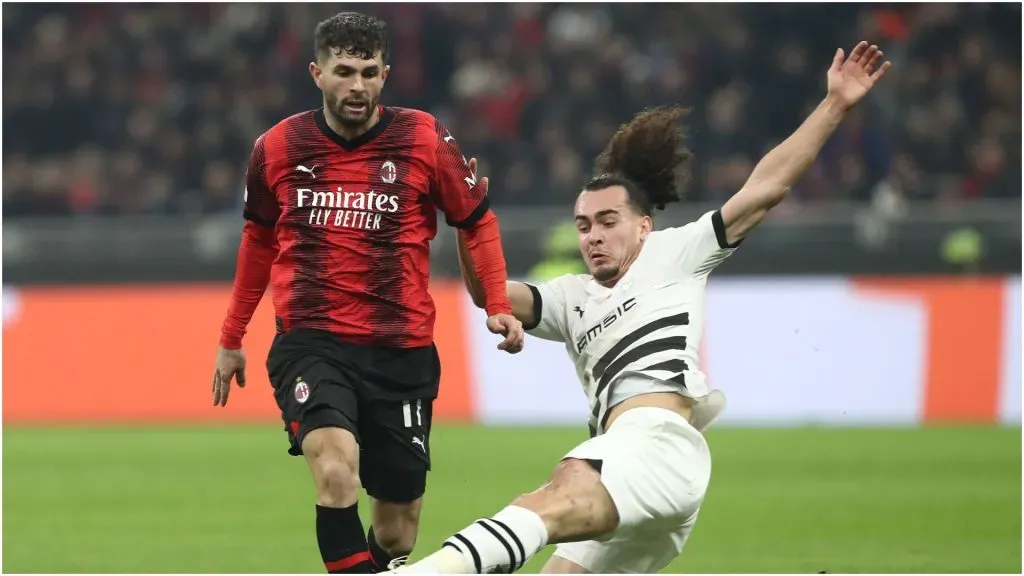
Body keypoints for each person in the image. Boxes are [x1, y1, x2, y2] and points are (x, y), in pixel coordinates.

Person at [397, 41, 891, 574]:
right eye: (584, 225)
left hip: (656, 443)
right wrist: (467, 220)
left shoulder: (676, 252)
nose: (594, 236)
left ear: (644, 226)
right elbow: (488, 294)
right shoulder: (570, 296)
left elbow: (766, 188)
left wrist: (834, 104)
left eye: (608, 221)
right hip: (628, 461)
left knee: (552, 497)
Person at [209, 12, 525, 574]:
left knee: (397, 534)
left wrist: (497, 303)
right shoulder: (277, 147)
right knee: (336, 471)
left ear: (386, 75)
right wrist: (232, 337)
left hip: (401, 349)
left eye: (369, 72)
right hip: (312, 343)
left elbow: (476, 219)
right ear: (317, 73)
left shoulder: (422, 137)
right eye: (344, 72)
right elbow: (257, 240)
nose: (357, 86)